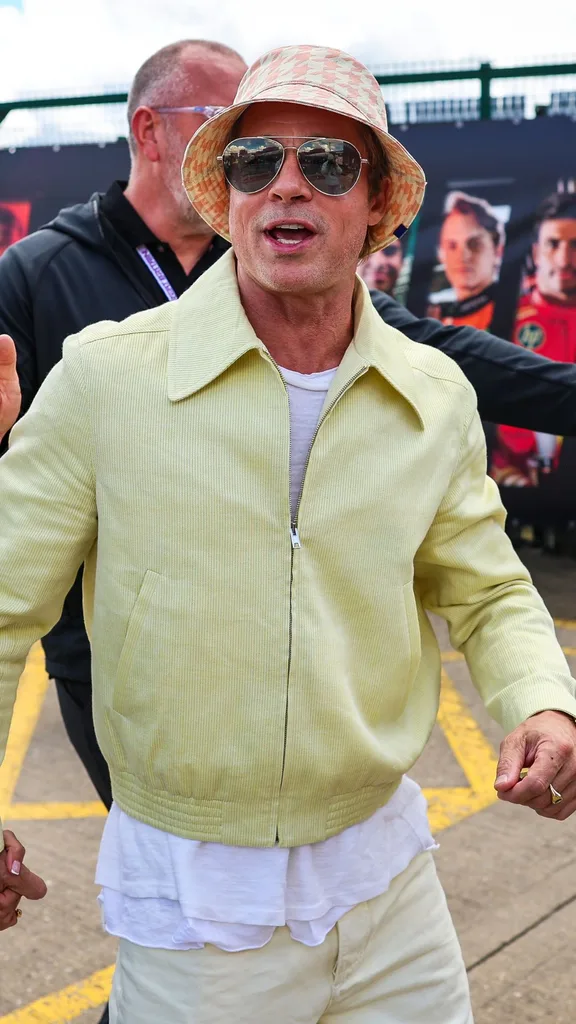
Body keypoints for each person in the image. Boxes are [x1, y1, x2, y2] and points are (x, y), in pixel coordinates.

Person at [1, 44, 576, 1023]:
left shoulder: (431, 392)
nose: (286, 187)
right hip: (194, 904)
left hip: (391, 883)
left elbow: (487, 587)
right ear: (227, 200)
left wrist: (544, 702)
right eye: (256, 163)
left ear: (381, 204)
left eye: (329, 163)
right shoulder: (106, 377)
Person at [492, 192, 576, 487]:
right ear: (537, 251)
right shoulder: (504, 319)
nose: (565, 259)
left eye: (575, 246)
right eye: (554, 244)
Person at [428, 190, 505, 330]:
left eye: (475, 244)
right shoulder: (435, 318)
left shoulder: (513, 311)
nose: (463, 256)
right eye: (452, 245)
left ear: (497, 250)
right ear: (441, 254)